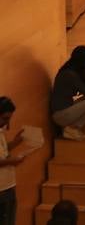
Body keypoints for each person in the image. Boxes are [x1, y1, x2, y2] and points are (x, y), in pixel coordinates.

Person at [50, 46, 85, 141]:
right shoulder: (69, 75)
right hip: (61, 115)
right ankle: (72, 128)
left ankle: (70, 128)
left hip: (66, 110)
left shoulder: (72, 69)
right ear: (83, 62)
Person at [0, 96, 36, 224]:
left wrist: (15, 142)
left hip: (8, 186)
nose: (6, 123)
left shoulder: (1, 131)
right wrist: (12, 161)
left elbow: (2, 152)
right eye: (5, 118)